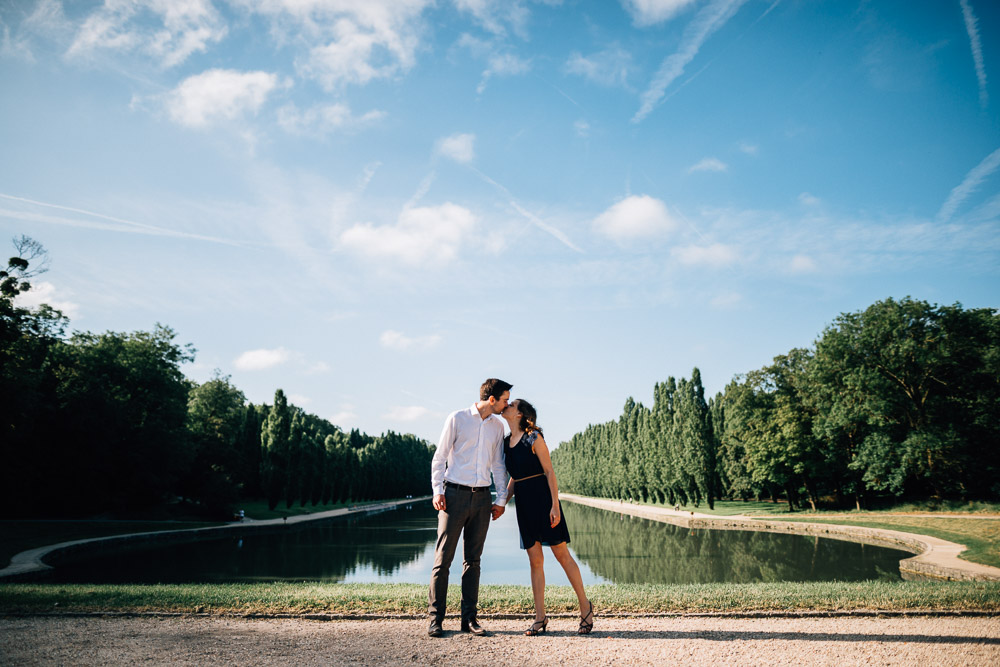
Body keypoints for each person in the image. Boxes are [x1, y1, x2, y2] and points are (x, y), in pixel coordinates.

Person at [501, 398, 594, 636]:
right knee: (535, 561)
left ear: (520, 414)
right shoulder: (504, 443)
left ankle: (585, 606)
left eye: (511, 405)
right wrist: (501, 502)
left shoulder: (534, 437)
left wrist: (555, 505)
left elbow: (550, 472)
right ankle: (540, 617)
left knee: (561, 554)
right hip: (523, 503)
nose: (507, 406)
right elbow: (514, 478)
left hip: (544, 501)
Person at [427, 378, 512, 638]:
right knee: (443, 560)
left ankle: (469, 619)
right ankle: (435, 619)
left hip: (482, 498)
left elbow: (498, 465)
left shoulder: (497, 427)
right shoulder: (457, 418)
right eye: (505, 400)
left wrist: (500, 500)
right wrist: (437, 490)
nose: (506, 405)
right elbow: (440, 457)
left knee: (473, 562)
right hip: (454, 496)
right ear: (491, 399)